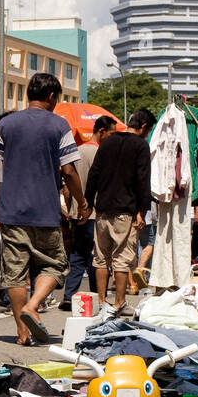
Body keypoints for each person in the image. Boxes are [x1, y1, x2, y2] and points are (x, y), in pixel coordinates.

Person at [0, 73, 85, 345]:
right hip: (45, 212)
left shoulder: (5, 124)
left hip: (11, 212)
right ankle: (34, 305)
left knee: (15, 273)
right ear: (52, 96)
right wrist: (82, 201)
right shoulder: (59, 125)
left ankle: (22, 332)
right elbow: (69, 170)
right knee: (55, 265)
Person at [85, 108, 153, 319]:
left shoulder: (108, 143)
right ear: (143, 127)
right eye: (148, 130)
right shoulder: (141, 145)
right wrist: (142, 211)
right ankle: (119, 302)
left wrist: (88, 202)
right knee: (122, 258)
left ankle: (102, 301)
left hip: (102, 210)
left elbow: (94, 174)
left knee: (101, 258)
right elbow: (143, 180)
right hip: (125, 211)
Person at [63, 114, 117, 310]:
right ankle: (97, 296)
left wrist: (70, 210)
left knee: (77, 256)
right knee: (97, 257)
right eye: (111, 133)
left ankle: (69, 295)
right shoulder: (102, 154)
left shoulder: (77, 151)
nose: (113, 137)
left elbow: (68, 184)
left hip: (77, 212)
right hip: (95, 213)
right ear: (101, 131)